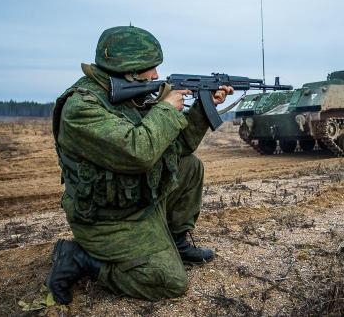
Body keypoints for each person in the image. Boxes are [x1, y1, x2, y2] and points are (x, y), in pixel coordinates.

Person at [47, 25, 233, 304]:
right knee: (169, 282)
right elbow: (138, 153)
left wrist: (203, 110)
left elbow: (177, 147)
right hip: (107, 218)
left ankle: (177, 242)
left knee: (189, 165)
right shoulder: (82, 109)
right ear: (126, 69)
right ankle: (80, 258)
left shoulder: (133, 95)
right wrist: (166, 109)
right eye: (148, 68)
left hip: (138, 199)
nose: (156, 75)